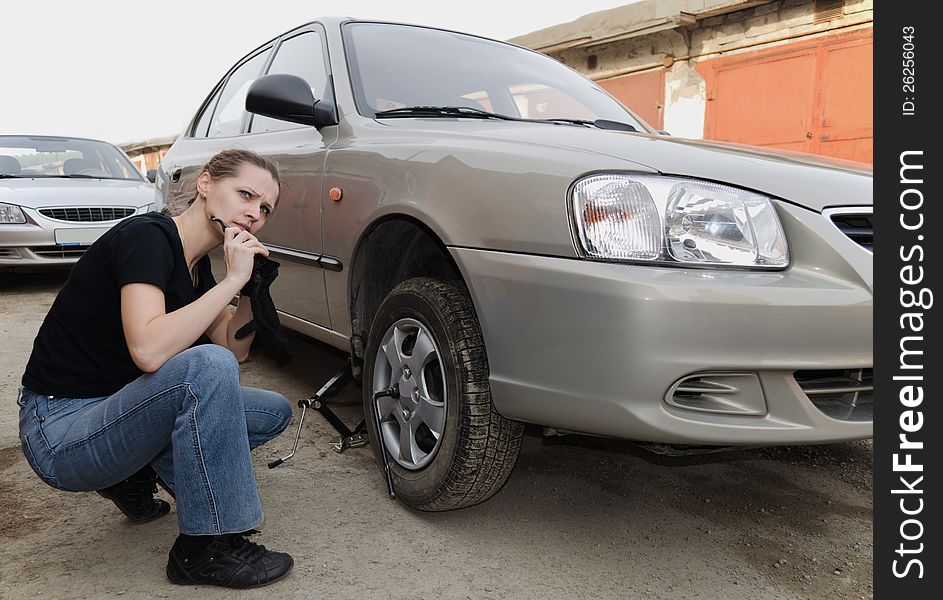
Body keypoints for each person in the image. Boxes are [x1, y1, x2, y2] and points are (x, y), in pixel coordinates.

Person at [17, 149, 295, 588]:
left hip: (115, 412)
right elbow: (148, 350)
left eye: (264, 208)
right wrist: (231, 281)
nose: (254, 213)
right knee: (205, 367)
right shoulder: (147, 237)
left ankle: (134, 472)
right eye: (245, 194)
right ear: (205, 185)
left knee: (272, 409)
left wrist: (251, 289)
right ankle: (206, 546)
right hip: (60, 430)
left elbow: (234, 349)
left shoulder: (199, 268)